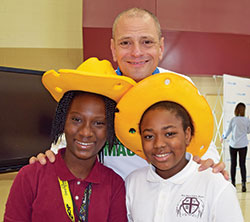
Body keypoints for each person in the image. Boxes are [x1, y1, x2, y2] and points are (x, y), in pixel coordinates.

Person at [30, 7, 227, 180]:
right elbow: (70, 143)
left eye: (147, 42)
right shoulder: (95, 89)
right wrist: (50, 158)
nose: (136, 52)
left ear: (161, 47)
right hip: (108, 205)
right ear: (113, 49)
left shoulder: (180, 87)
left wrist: (213, 166)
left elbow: (202, 147)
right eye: (125, 43)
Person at [4, 58, 132, 222]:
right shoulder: (30, 176)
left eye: (99, 123)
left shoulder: (114, 184)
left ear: (110, 130)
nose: (86, 132)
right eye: (77, 120)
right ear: (62, 120)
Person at [114, 73, 243, 221]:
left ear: (187, 134)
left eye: (169, 134)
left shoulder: (216, 186)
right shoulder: (133, 182)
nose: (159, 144)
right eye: (149, 136)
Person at [221, 102, 250, 192]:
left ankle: (233, 184)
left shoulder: (233, 120)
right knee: (242, 165)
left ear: (236, 110)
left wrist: (223, 137)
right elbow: (248, 131)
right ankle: (244, 184)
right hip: (243, 145)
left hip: (233, 145)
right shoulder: (247, 120)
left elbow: (228, 130)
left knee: (233, 164)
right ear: (244, 110)